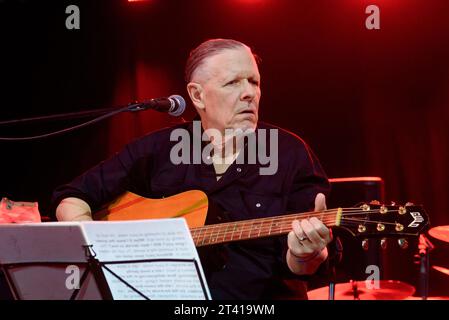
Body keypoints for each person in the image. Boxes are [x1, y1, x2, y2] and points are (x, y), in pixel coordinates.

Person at [52, 38, 333, 299]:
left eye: (254, 82)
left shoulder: (290, 153)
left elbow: (306, 266)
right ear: (197, 96)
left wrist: (305, 255)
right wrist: (102, 249)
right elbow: (72, 197)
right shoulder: (158, 149)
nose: (249, 93)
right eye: (233, 83)